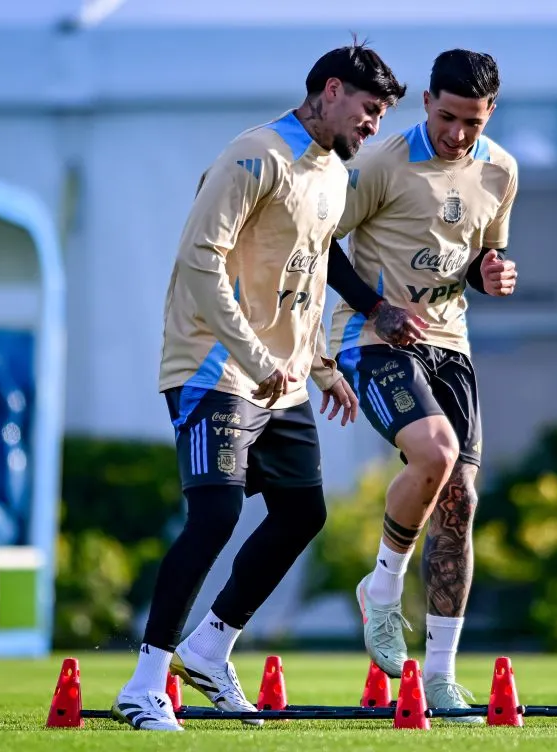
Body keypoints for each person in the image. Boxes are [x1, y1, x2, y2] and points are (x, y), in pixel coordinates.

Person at [111, 42, 406, 732]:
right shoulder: (256, 154)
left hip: (284, 377)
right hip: (214, 366)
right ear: (331, 91)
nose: (373, 125)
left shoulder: (332, 172)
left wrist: (324, 367)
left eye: (382, 114)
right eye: (369, 109)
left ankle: (210, 649)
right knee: (214, 516)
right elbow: (198, 259)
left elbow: (307, 267)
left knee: (303, 513)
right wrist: (250, 351)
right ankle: (145, 681)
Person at [326, 48, 519, 722]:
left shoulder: (500, 170)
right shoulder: (381, 164)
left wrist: (491, 272)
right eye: (446, 116)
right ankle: (382, 589)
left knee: (461, 499)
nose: (457, 134)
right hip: (374, 338)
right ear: (427, 101)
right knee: (435, 454)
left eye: (472, 121)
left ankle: (438, 676)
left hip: (450, 345)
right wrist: (378, 308)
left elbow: (477, 253)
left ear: (489, 113)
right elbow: (321, 244)